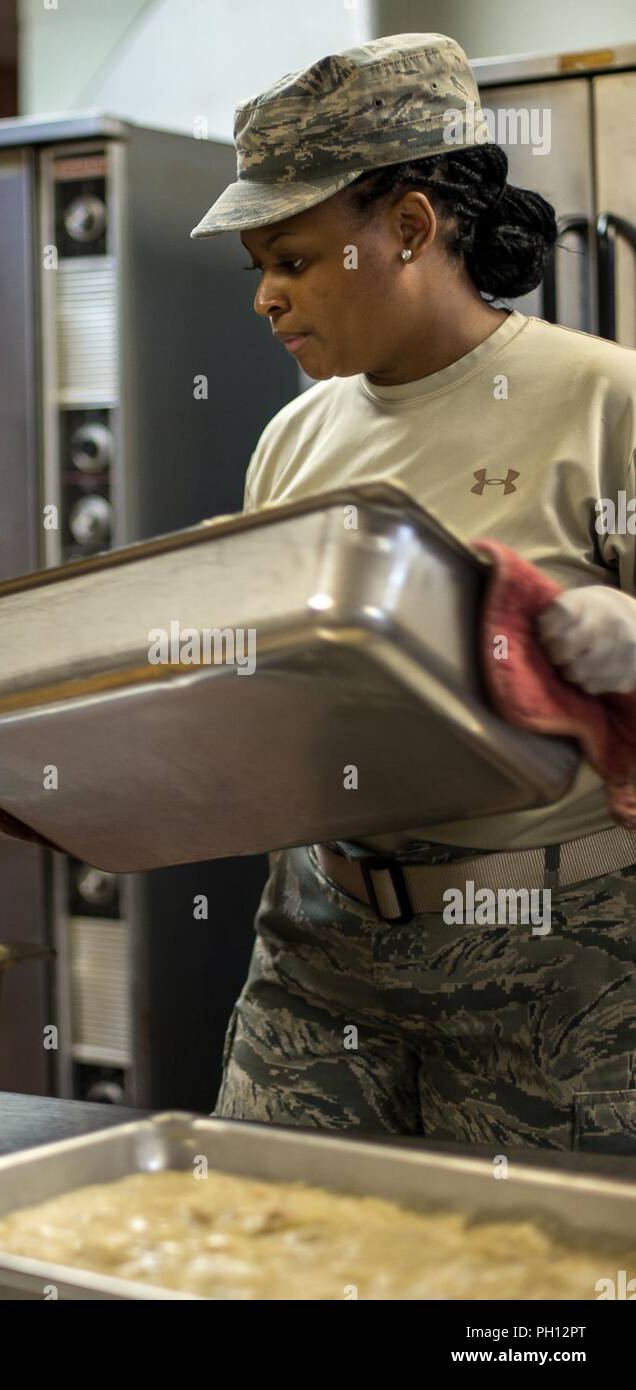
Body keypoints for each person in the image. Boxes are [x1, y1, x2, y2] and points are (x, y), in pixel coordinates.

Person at [188, 32, 636, 1151]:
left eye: (291, 258)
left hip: (556, 959)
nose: (266, 299)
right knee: (268, 1249)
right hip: (319, 942)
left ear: (407, 228)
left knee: (521, 1298)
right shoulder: (291, 439)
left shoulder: (601, 402)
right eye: (259, 269)